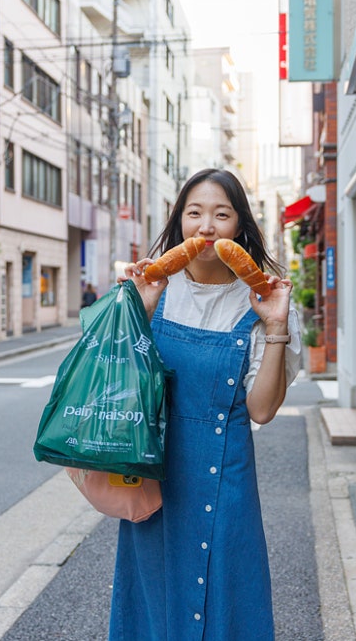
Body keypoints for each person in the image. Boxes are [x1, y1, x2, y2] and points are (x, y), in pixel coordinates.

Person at [111, 168, 301, 641]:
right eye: (194, 213)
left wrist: (276, 325)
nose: (206, 226)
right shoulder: (153, 288)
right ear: (178, 222)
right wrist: (142, 310)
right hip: (154, 471)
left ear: (240, 227)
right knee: (154, 595)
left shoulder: (261, 299)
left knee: (227, 596)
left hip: (225, 474)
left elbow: (261, 410)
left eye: (222, 214)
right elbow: (118, 386)